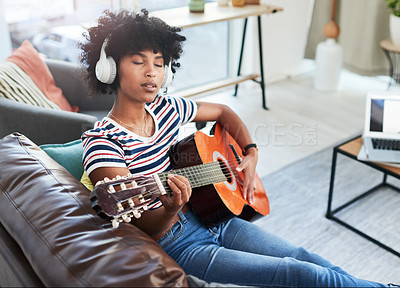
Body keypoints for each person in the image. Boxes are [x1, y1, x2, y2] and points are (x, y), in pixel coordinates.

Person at [80, 9, 391, 287]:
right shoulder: (102, 142)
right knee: (295, 272)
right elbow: (144, 227)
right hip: (178, 243)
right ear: (109, 67)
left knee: (301, 255)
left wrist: (251, 151)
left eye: (160, 64)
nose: (152, 72)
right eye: (138, 61)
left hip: (212, 213)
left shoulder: (166, 108)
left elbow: (224, 113)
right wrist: (173, 207)